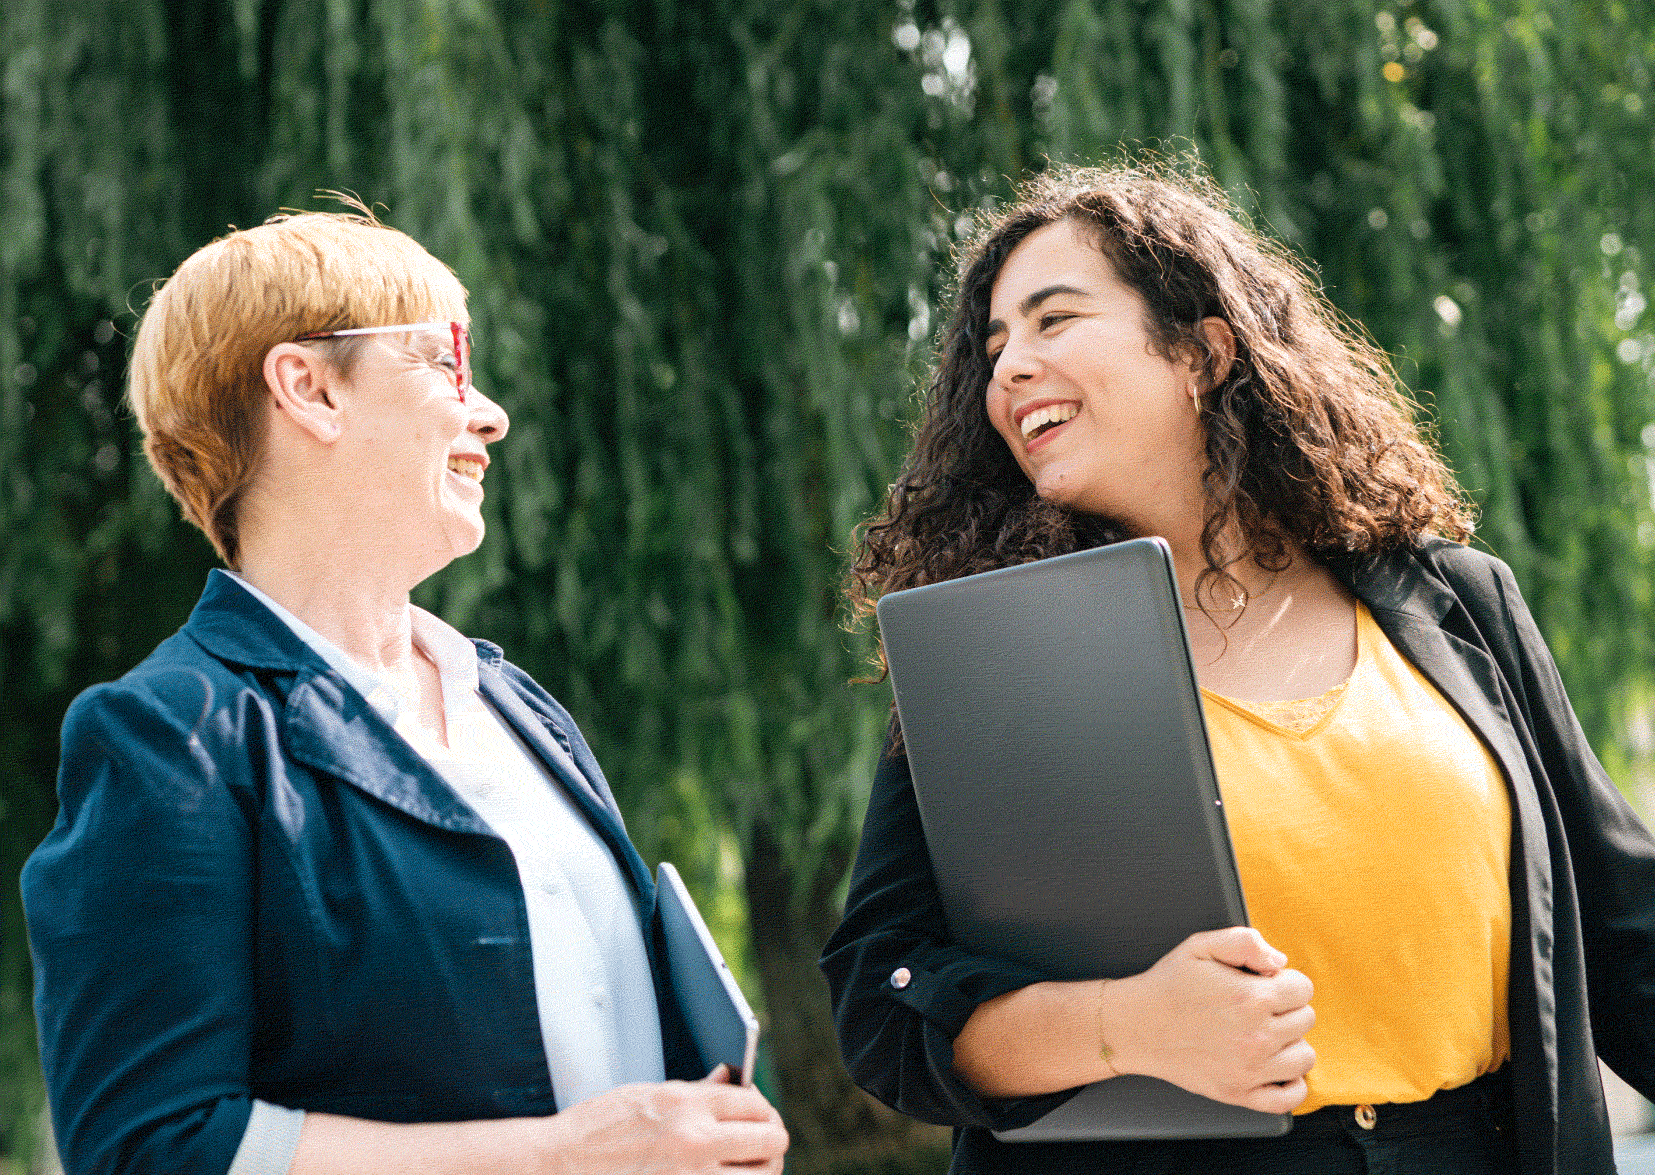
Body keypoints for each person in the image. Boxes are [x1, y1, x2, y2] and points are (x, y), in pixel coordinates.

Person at [819, 162, 1655, 1175]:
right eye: (993, 345)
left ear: (1202, 352)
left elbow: (1624, 939)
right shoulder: (996, 666)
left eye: (1052, 320)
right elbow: (881, 995)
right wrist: (1124, 1025)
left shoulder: (1457, 602)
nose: (1007, 367)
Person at [22, 207, 789, 1175]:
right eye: (444, 359)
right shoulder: (169, 736)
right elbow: (154, 1144)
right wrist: (558, 1155)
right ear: (308, 389)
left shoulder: (520, 706)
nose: (490, 412)